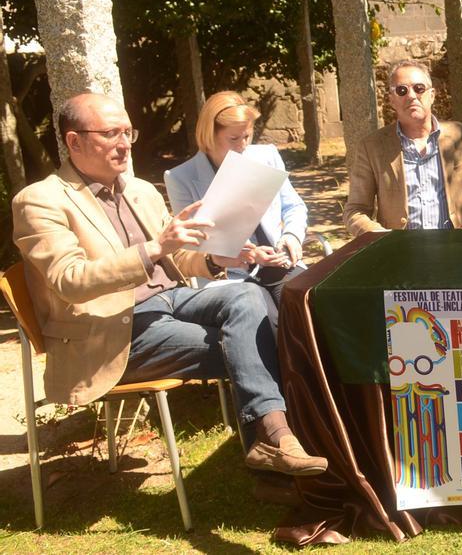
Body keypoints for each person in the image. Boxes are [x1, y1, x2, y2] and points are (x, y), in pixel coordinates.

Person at [11, 92, 327, 482]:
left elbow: (177, 261)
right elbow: (69, 281)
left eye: (128, 132)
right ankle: (281, 451)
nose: (125, 143)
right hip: (114, 331)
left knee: (250, 294)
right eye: (111, 133)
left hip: (171, 300)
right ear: (74, 141)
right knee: (263, 339)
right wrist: (155, 247)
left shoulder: (138, 190)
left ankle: (274, 444)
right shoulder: (40, 201)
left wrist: (216, 260)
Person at [165, 91, 307, 309]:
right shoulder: (179, 177)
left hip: (279, 262)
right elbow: (193, 246)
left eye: (247, 136)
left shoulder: (266, 155)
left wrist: (291, 236)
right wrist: (248, 254)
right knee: (266, 318)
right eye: (233, 139)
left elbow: (293, 206)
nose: (242, 145)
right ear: (209, 135)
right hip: (229, 276)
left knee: (308, 304)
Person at [343, 60, 462, 236]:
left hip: (455, 248)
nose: (411, 96)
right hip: (400, 254)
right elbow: (355, 211)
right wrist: (384, 240)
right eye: (402, 90)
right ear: (391, 100)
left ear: (432, 95)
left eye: (419, 88)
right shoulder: (372, 147)